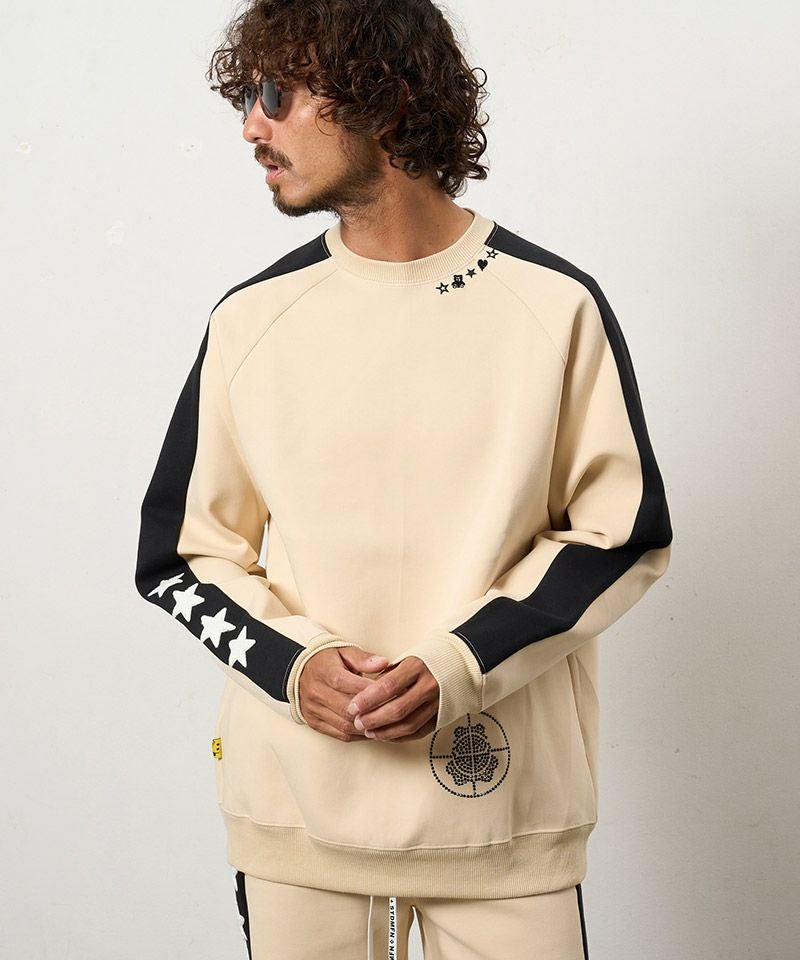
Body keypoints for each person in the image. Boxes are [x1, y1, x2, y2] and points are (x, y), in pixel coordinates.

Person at [134, 1, 673, 957]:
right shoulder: (250, 322)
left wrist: (461, 663)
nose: (252, 126)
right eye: (247, 97)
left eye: (277, 94)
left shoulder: (554, 307)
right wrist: (293, 667)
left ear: (384, 100)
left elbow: (619, 533)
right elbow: (179, 558)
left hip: (503, 822)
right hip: (298, 822)